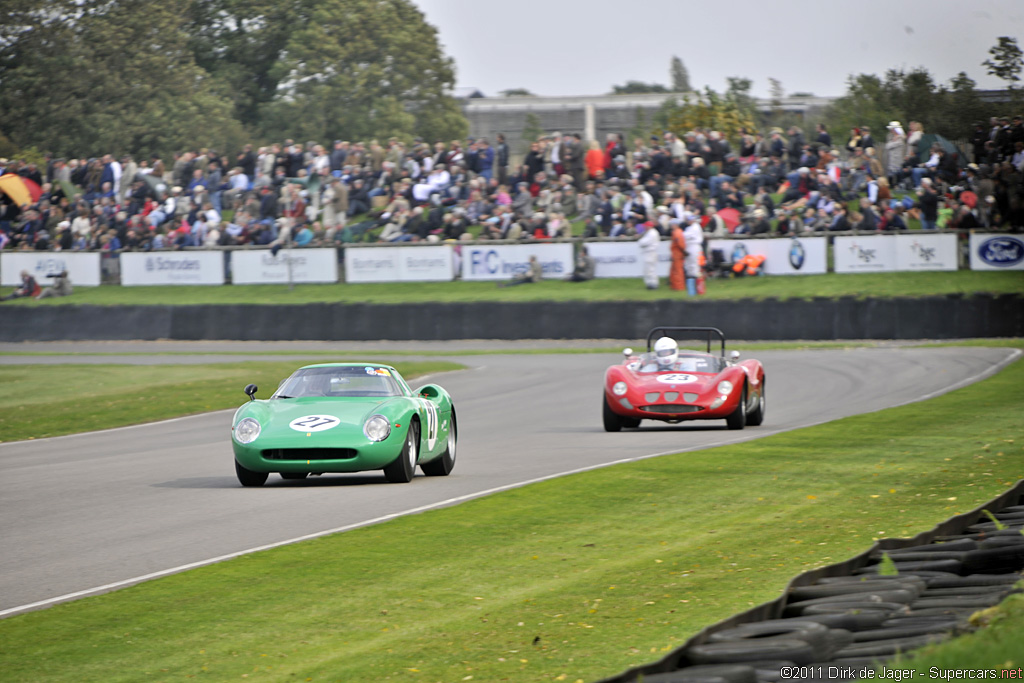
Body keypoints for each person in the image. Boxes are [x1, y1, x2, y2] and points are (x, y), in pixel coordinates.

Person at [683, 214, 704, 296]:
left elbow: (686, 235)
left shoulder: (695, 226)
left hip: (694, 247)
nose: (688, 221)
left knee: (694, 266)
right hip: (689, 247)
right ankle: (691, 289)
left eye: (690, 219)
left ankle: (697, 288)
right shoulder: (689, 227)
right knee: (689, 266)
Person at [637, 221, 660, 290]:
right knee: (648, 269)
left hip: (650, 253)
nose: (644, 227)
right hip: (649, 252)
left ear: (649, 226)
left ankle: (653, 284)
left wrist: (640, 241)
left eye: (646, 226)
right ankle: (650, 284)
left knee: (650, 269)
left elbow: (642, 242)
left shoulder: (652, 233)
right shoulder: (650, 232)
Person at [669, 222, 686, 291]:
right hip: (676, 253)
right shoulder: (677, 232)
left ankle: (679, 287)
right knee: (674, 270)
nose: (671, 226)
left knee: (678, 271)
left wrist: (683, 251)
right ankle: (675, 286)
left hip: (677, 254)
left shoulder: (677, 232)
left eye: (672, 225)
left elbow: (680, 244)